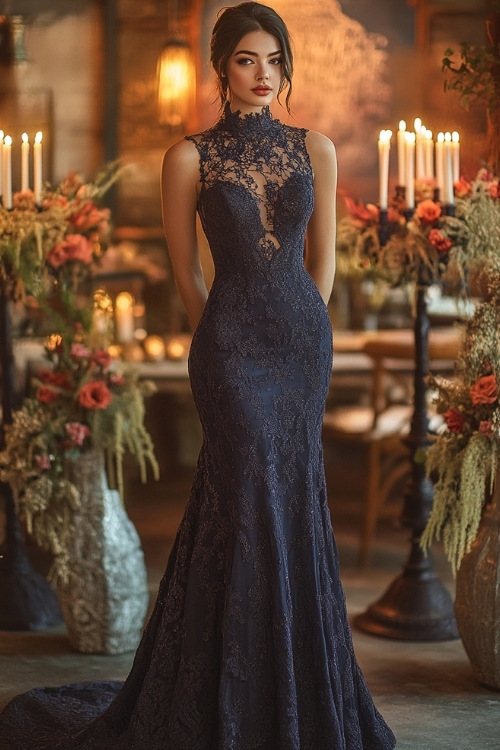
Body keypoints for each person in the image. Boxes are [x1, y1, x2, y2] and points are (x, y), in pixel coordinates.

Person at [0, 3, 396, 748]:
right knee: (243, 494)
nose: (263, 75)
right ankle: (226, 688)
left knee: (293, 504)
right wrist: (213, 329)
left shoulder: (318, 147)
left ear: (285, 68)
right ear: (222, 67)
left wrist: (311, 321)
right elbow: (183, 265)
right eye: (247, 60)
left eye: (274, 61)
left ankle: (294, 688)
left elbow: (327, 259)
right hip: (230, 349)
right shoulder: (189, 157)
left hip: (302, 346)